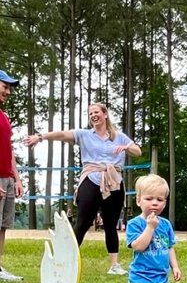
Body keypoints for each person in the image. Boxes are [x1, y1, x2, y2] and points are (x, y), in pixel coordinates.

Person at [26, 102, 142, 274]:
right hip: (91, 178)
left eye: (96, 112)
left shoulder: (119, 136)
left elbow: (138, 151)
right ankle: (66, 262)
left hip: (114, 181)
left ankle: (114, 265)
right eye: (90, 113)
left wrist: (126, 147)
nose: (93, 115)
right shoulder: (84, 135)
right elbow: (62, 134)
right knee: (82, 223)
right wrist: (41, 137)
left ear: (105, 114)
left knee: (111, 224)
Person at [0, 69, 24, 282]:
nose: (8, 91)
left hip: (7, 178)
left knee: (3, 225)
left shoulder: (4, 117)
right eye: (5, 86)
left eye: (9, 88)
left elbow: (8, 150)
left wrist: (16, 178)